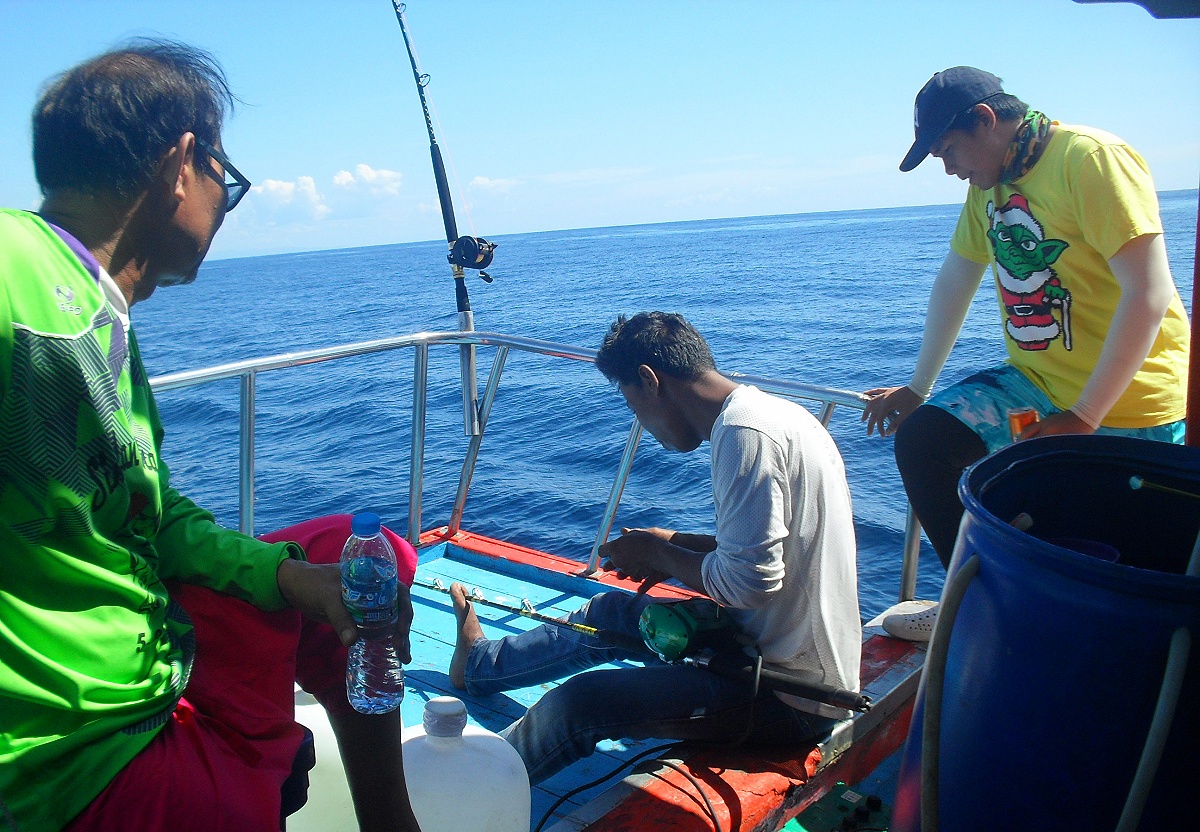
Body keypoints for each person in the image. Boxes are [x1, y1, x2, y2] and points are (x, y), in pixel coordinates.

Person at [0, 40, 515, 832]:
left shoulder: (100, 316)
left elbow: (153, 519)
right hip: (66, 767)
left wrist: (289, 579)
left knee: (360, 561)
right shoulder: (19, 271)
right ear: (179, 163)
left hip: (148, 660)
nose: (227, 203)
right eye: (225, 179)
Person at [448, 311, 862, 785]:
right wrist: (669, 543)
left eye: (634, 406)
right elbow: (779, 550)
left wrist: (663, 557)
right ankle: (480, 665)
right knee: (607, 612)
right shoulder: (774, 414)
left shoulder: (744, 435)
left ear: (649, 380)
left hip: (792, 697)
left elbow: (751, 581)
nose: (642, 426)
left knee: (582, 703)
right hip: (773, 654)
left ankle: (465, 793)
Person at [862, 66, 1189, 641]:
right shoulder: (988, 188)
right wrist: (918, 387)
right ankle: (978, 606)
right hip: (1037, 386)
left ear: (986, 121)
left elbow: (1150, 292)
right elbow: (956, 280)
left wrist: (1084, 417)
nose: (949, 168)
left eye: (948, 150)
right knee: (926, 440)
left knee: (1114, 557)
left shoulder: (1089, 159)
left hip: (1132, 401)